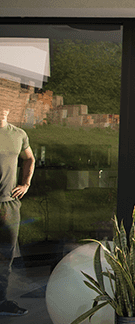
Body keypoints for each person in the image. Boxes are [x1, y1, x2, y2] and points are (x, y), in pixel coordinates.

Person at [0, 107, 34, 316]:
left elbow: (29, 158)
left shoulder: (19, 134)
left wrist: (26, 183)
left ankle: (1, 301)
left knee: (5, 256)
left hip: (8, 205)